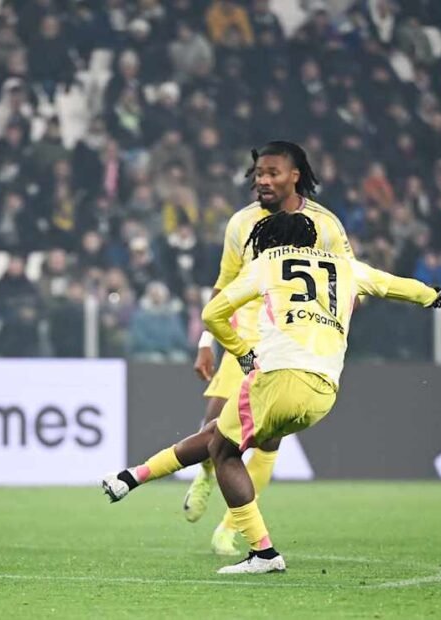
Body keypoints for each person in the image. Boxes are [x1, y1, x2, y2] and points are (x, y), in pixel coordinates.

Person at [102, 212, 441, 574]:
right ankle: (131, 478)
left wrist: (242, 353)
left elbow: (212, 314)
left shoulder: (270, 261)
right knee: (217, 435)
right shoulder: (347, 266)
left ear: (272, 241)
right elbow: (394, 286)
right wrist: (431, 296)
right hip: (324, 391)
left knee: (222, 451)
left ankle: (263, 552)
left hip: (279, 377)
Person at [185, 141, 355, 556]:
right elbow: (224, 284)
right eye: (259, 173)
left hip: (290, 344)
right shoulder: (241, 223)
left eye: (272, 173)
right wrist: (207, 342)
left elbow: (349, 280)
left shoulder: (326, 226)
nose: (262, 180)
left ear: (294, 176)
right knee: (215, 425)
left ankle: (230, 528)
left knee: (268, 442)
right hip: (244, 335)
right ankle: (206, 473)